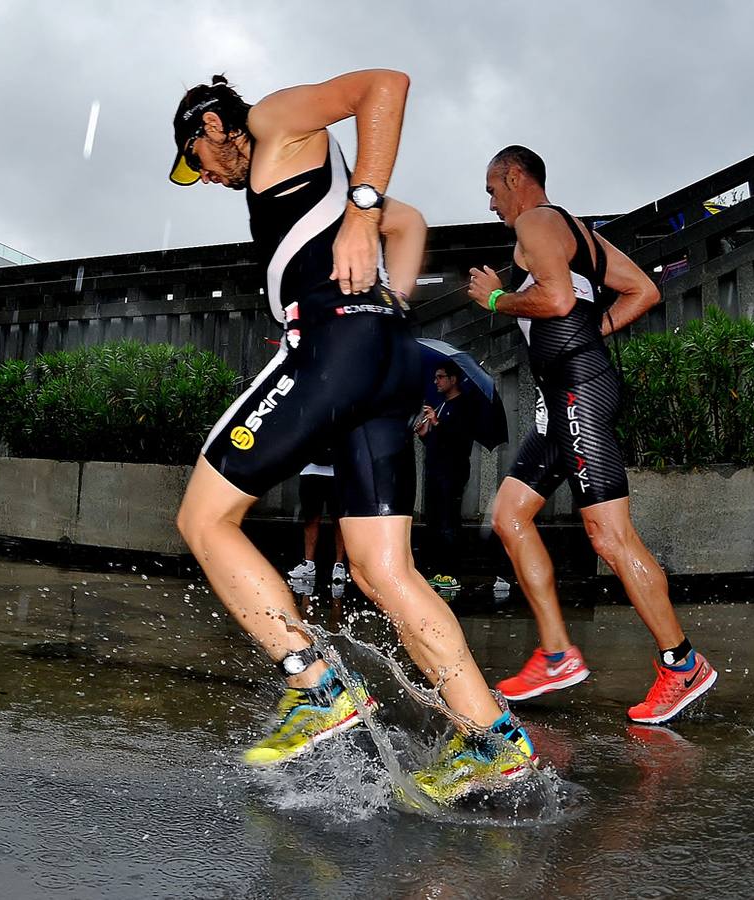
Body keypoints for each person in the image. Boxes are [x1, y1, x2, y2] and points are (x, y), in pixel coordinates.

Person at [168, 72, 536, 802]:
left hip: (335, 349)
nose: (205, 177)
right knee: (382, 571)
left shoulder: (272, 122)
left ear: (213, 127)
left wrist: (364, 211)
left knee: (203, 518)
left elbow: (385, 85)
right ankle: (491, 736)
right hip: (381, 356)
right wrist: (390, 301)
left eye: (196, 159)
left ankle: (314, 687)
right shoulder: (313, 181)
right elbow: (416, 223)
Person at [468, 145, 716, 724]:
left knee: (609, 537)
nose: (491, 202)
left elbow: (554, 299)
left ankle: (682, 665)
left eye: (491, 189)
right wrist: (590, 332)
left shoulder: (537, 222)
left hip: (578, 391)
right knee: (510, 515)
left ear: (514, 176)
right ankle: (556, 654)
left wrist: (498, 299)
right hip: (566, 395)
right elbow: (643, 291)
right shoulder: (572, 229)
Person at [414, 359, 480, 590]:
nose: (436, 381)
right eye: (435, 377)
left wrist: (437, 423)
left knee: (448, 520)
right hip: (435, 469)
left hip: (453, 471)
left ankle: (451, 572)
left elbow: (460, 441)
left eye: (441, 377)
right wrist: (425, 433)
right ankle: (436, 570)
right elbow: (438, 442)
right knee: (433, 521)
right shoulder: (441, 404)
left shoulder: (465, 405)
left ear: (453, 379)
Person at [286, 450, 348, 591]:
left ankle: (339, 565)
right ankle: (309, 564)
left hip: (337, 470)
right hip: (310, 470)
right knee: (311, 518)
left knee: (339, 520)